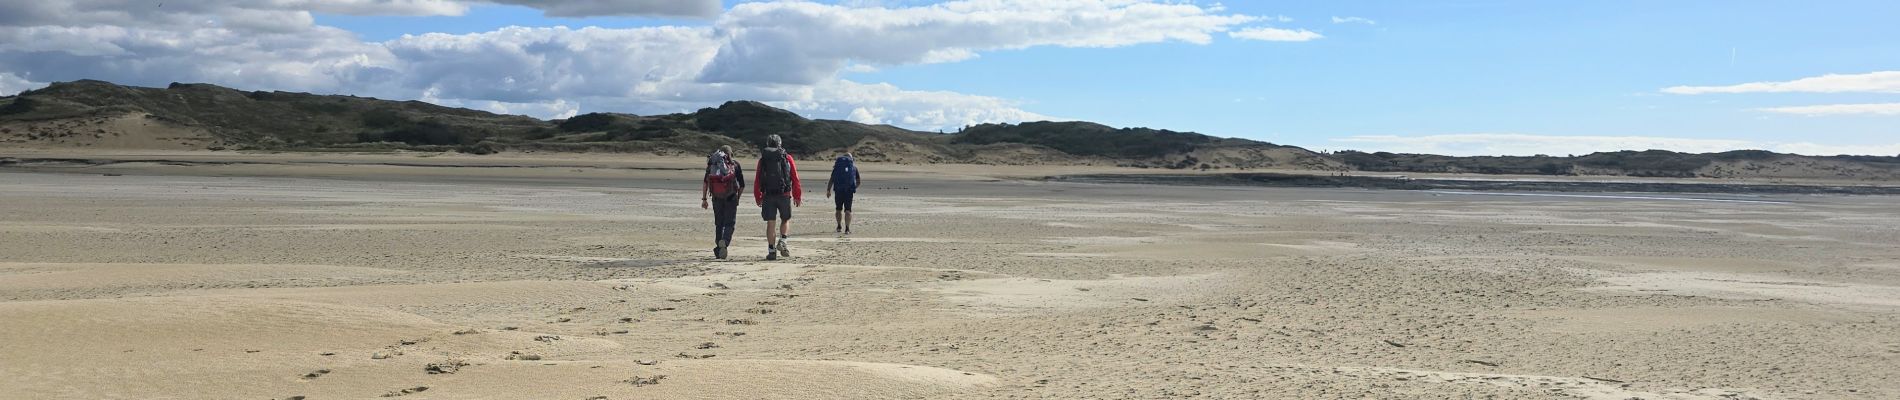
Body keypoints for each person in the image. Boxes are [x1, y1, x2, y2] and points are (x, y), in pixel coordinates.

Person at [753, 134, 802, 261]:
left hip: (768, 195)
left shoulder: (763, 160)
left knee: (771, 223)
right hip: (784, 194)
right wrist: (797, 196)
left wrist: (758, 197)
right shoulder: (787, 157)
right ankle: (783, 240)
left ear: (768, 144)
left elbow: (757, 179)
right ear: (780, 144)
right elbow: (795, 178)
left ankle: (771, 251)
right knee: (785, 220)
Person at [701, 145, 745, 259]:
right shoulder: (735, 165)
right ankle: (724, 242)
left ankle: (718, 247)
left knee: (719, 224)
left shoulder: (713, 165)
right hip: (731, 198)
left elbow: (706, 182)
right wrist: (738, 198)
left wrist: (704, 199)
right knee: (730, 223)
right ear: (731, 154)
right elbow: (742, 185)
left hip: (716, 198)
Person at [826, 151, 860, 234]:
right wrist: (854, 187)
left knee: (838, 209)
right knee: (848, 210)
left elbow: (832, 179)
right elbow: (858, 181)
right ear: (851, 159)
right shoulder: (854, 168)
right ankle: (847, 228)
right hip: (849, 191)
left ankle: (839, 226)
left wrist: (828, 190)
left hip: (838, 190)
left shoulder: (837, 167)